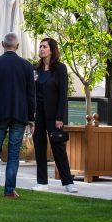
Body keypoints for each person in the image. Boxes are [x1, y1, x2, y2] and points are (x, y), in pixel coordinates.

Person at [0, 32, 35, 198]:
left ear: (3, 45)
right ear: (17, 47)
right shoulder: (26, 66)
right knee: (13, 153)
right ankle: (9, 191)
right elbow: (31, 94)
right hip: (19, 113)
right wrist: (31, 118)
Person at [32, 38, 77, 194]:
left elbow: (63, 94)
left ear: (52, 50)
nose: (41, 49)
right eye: (40, 46)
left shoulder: (60, 68)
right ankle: (42, 182)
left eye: (44, 47)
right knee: (39, 148)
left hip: (53, 116)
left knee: (58, 148)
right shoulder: (35, 68)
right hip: (38, 116)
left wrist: (60, 117)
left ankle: (68, 182)